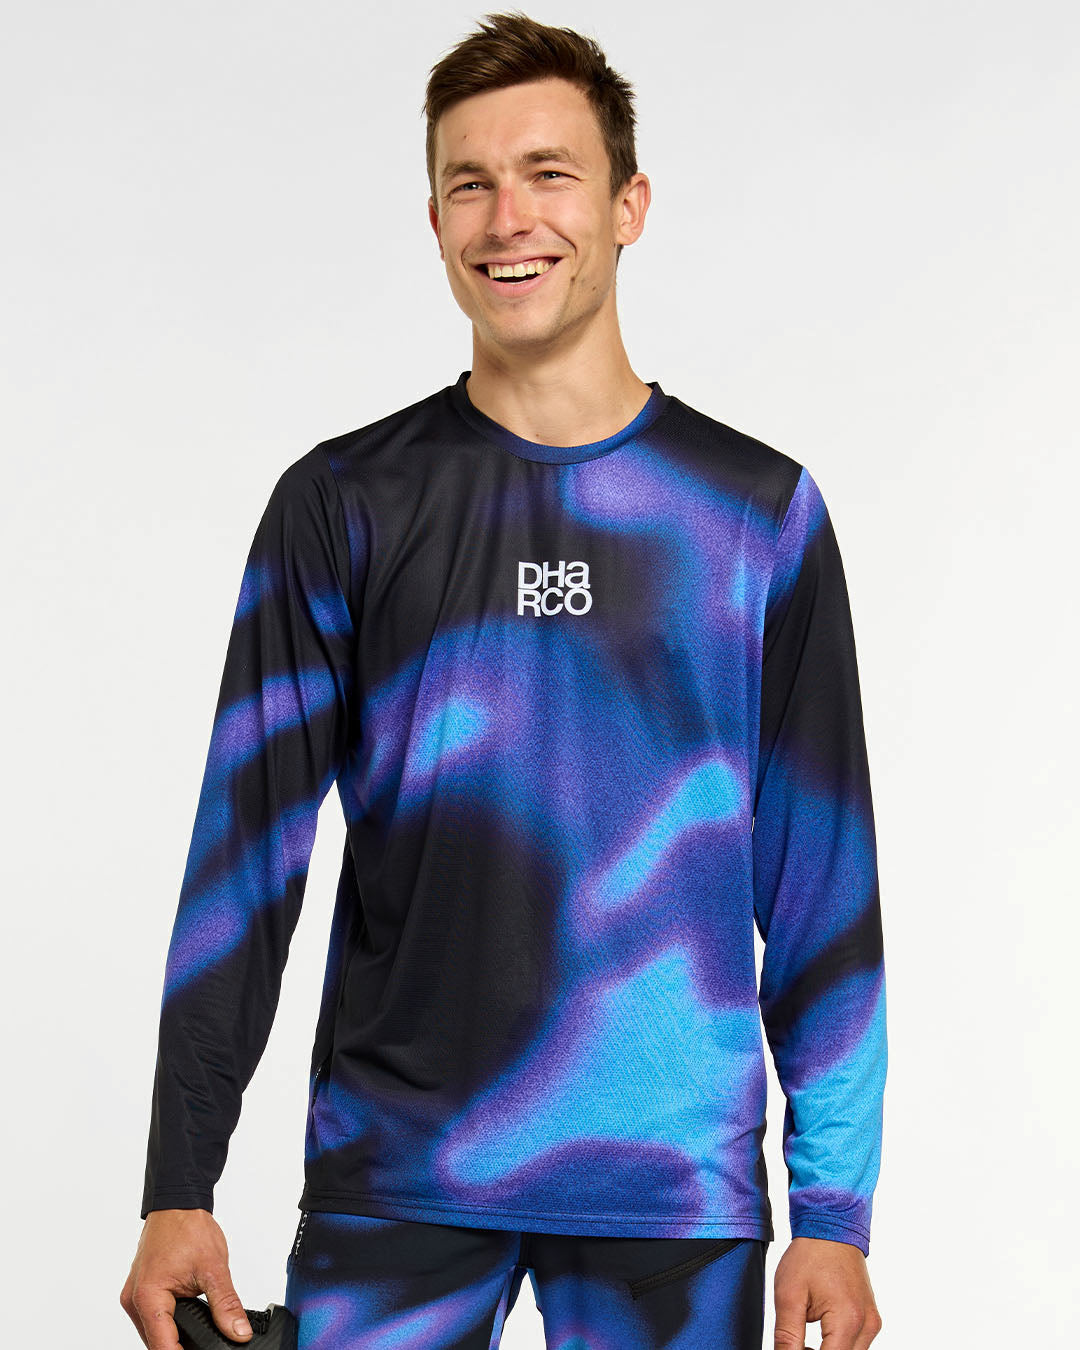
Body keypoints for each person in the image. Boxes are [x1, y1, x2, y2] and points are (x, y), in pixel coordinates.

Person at [120, 11, 886, 1348]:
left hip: (668, 1194)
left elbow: (823, 885)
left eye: (549, 173)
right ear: (434, 222)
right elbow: (246, 860)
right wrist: (177, 1183)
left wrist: (834, 1209)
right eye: (469, 183)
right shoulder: (343, 505)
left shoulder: (755, 516)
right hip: (399, 1171)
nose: (508, 217)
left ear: (628, 205)